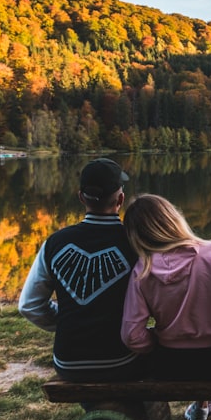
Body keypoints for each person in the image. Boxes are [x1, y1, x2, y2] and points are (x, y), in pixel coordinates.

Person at [18, 158, 144, 384]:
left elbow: (29, 305)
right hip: (121, 360)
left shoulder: (54, 243)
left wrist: (70, 319)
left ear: (80, 197)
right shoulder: (135, 242)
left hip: (69, 363)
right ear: (121, 199)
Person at [121, 194, 211, 420]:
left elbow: (132, 335)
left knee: (171, 351)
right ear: (173, 219)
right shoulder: (210, 252)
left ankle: (200, 408)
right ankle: (202, 406)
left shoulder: (143, 268)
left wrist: (159, 337)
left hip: (169, 364)